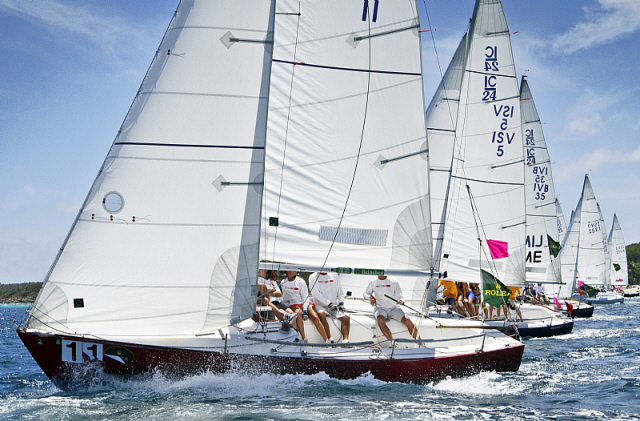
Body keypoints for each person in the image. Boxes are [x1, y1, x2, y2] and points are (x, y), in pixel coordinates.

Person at [363, 275, 420, 343]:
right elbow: (365, 294)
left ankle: (420, 342)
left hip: (394, 308)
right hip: (380, 308)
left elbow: (401, 297)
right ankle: (392, 343)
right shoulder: (373, 282)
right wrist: (371, 298)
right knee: (380, 320)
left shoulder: (394, 281)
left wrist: (401, 301)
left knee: (407, 320)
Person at [281, 270, 327, 343]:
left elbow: (305, 297)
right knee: (298, 313)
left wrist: (305, 310)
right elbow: (285, 298)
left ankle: (326, 340)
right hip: (293, 305)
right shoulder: (283, 282)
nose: (294, 271)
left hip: (305, 303)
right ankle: (304, 338)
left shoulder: (301, 282)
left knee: (315, 317)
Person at [308, 271, 350, 343]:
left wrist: (341, 303)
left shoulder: (334, 275)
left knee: (346, 318)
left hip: (334, 305)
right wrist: (329, 304)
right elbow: (315, 293)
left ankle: (345, 340)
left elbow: (340, 291)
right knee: (322, 314)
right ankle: (329, 338)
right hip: (320, 305)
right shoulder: (312, 277)